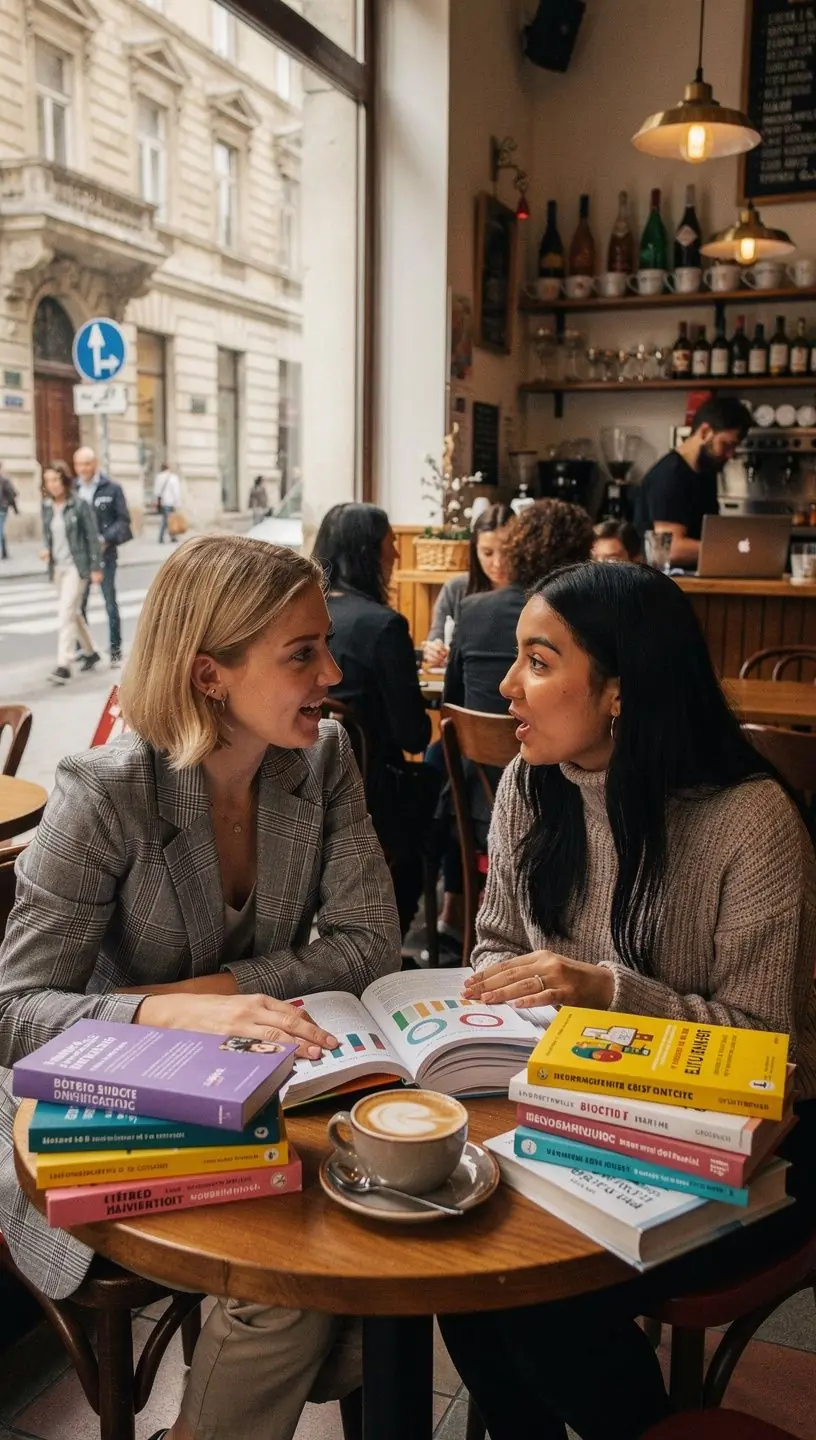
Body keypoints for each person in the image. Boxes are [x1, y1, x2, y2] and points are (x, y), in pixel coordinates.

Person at [0, 533, 400, 1440]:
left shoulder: (323, 758)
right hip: (100, 1102)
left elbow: (372, 945)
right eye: (302, 653)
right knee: (297, 1276)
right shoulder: (105, 791)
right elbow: (14, 1014)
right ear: (209, 674)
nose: (333, 671)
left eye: (326, 642)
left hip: (256, 1086)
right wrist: (164, 1007)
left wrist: (218, 986)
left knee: (366, 1230)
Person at [438, 560, 816, 1440]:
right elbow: (496, 947)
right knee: (465, 1255)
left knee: (536, 1295)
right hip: (578, 1117)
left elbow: (781, 1056)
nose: (505, 685)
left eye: (539, 659)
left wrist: (607, 992)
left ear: (619, 691)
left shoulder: (748, 820)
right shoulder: (534, 787)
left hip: (746, 1153)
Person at [312, 502, 441, 936]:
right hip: (371, 797)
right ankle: (410, 928)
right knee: (438, 789)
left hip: (300, 782)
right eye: (390, 545)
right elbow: (414, 734)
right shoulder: (384, 625)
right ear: (368, 552)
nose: (397, 555)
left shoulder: (307, 615)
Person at [443, 498, 595, 714]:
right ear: (581, 557)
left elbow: (451, 701)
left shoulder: (471, 608)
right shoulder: (583, 616)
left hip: (480, 745)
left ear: (517, 547)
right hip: (552, 745)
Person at [634, 397, 751, 570]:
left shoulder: (706, 472)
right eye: (726, 445)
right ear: (704, 432)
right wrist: (734, 549)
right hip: (664, 586)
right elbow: (670, 549)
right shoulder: (670, 475)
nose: (729, 455)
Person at [422, 503, 515, 666]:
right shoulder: (456, 589)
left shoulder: (536, 590)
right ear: (475, 551)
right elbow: (436, 637)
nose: (498, 563)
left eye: (507, 551)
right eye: (487, 553)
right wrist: (434, 651)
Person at [40, 460, 103, 684]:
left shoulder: (79, 504)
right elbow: (48, 534)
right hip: (58, 567)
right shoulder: (47, 506)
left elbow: (92, 537)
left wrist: (96, 567)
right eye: (48, 481)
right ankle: (92, 651)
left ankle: (63, 665)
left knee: (66, 612)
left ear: (65, 480)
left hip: (77, 566)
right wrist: (46, 550)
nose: (52, 484)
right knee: (73, 613)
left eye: (56, 479)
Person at [74, 445, 132, 665]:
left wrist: (105, 539)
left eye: (87, 463)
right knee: (79, 605)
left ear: (95, 464)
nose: (83, 468)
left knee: (109, 602)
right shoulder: (74, 489)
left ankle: (115, 649)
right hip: (81, 557)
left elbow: (123, 521)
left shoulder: (111, 488)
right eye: (79, 464)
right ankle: (86, 650)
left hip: (105, 554)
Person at [155, 461, 183, 544]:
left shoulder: (159, 477)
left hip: (163, 502)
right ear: (169, 468)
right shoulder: (173, 478)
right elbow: (176, 491)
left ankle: (171, 536)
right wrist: (177, 503)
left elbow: (156, 491)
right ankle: (164, 537)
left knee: (166, 519)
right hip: (170, 502)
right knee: (168, 520)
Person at [0, 463, 18, 560]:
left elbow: (13, 494)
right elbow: (13, 494)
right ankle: (4, 552)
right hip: (3, 508)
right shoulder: (5, 479)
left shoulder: (5, 480)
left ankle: (4, 552)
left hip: (2, 509)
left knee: (0, 530)